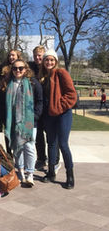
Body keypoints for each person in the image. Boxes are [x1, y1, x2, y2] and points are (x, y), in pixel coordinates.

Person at [0, 59, 43, 186]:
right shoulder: (7, 83)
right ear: (11, 70)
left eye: (21, 68)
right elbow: (2, 104)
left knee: (29, 146)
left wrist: (35, 116)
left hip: (29, 121)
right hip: (13, 120)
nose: (18, 70)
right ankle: (21, 172)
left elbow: (40, 101)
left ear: (26, 69)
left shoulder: (33, 83)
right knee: (17, 147)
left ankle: (30, 174)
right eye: (15, 68)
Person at [40, 50, 77, 189]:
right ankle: (51, 172)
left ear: (55, 61)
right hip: (49, 116)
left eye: (51, 60)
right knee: (51, 143)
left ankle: (70, 174)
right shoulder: (42, 76)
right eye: (46, 60)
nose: (49, 62)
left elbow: (71, 95)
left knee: (63, 144)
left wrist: (59, 106)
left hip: (63, 114)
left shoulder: (61, 73)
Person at [28, 45, 50, 170]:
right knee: (38, 136)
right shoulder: (31, 68)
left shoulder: (48, 68)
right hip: (35, 107)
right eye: (35, 55)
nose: (37, 58)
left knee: (51, 136)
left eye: (40, 55)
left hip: (47, 106)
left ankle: (53, 160)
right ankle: (41, 158)